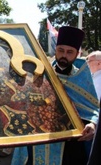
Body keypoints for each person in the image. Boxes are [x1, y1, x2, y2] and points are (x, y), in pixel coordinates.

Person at [11, 26, 99, 165]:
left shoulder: (82, 77)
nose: (64, 55)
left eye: (70, 52)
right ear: (56, 50)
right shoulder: (40, 73)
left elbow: (93, 107)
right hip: (38, 137)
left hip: (69, 143)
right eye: (61, 50)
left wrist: (93, 124)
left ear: (77, 53)